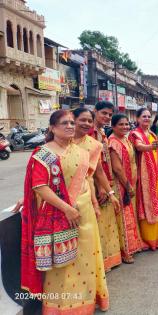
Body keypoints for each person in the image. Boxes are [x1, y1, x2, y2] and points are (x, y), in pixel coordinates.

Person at [21, 109, 109, 313]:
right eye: (64, 123)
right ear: (52, 128)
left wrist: (94, 204)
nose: (70, 126)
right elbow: (40, 187)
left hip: (85, 211)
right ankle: (61, 307)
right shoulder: (43, 154)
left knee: (87, 257)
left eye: (71, 123)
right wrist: (67, 209)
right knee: (62, 264)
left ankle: (86, 303)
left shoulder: (82, 152)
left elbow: (87, 180)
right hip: (59, 214)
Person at [74, 107, 122, 272]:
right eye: (104, 113)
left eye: (110, 114)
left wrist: (109, 191)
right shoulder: (66, 140)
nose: (107, 117)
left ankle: (100, 264)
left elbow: (99, 168)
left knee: (97, 227)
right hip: (75, 192)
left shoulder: (98, 137)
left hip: (93, 189)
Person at [109, 114, 145, 263]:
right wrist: (128, 185)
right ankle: (125, 251)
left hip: (130, 183)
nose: (124, 127)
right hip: (121, 185)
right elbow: (117, 168)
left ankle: (132, 246)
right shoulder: (113, 143)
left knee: (130, 216)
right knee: (123, 218)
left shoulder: (126, 139)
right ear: (113, 126)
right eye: (120, 125)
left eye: (126, 124)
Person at [129, 108, 158, 249]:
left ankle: (157, 238)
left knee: (155, 202)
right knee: (146, 204)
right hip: (143, 177)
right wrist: (151, 146)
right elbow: (139, 147)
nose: (146, 118)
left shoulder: (151, 133)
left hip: (154, 175)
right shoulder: (135, 134)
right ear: (137, 119)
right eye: (143, 116)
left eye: (149, 116)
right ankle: (147, 239)